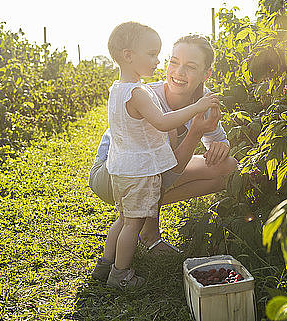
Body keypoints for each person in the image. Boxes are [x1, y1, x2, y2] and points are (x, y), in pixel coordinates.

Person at [89, 34, 238, 265]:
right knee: (160, 160)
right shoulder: (148, 96)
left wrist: (222, 146)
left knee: (228, 168)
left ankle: (140, 213)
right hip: (112, 174)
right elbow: (164, 167)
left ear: (206, 74)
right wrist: (196, 132)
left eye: (190, 66)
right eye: (174, 62)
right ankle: (148, 234)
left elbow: (217, 139)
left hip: (146, 172)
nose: (179, 72)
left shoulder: (204, 101)